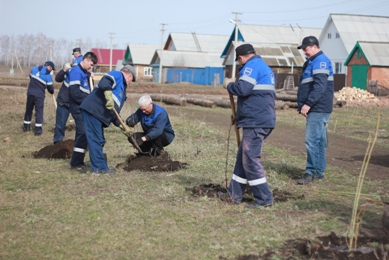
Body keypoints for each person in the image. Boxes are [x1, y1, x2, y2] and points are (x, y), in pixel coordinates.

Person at [218, 43, 276, 208]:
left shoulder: (251, 66)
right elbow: (256, 97)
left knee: (250, 158)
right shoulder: (263, 66)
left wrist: (229, 85)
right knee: (242, 158)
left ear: (241, 58)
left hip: (256, 121)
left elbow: (243, 89)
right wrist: (240, 117)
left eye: (239, 61)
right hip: (258, 119)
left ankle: (264, 199)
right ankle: (234, 195)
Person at [79, 65, 136, 174]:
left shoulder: (122, 91)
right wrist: (108, 95)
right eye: (131, 80)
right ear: (129, 75)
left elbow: (114, 113)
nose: (130, 82)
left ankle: (98, 165)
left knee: (99, 140)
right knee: (96, 139)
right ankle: (99, 169)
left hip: (99, 115)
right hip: (93, 110)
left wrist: (122, 125)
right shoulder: (118, 75)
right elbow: (105, 82)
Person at [296, 36, 334, 185]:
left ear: (314, 46)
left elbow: (319, 87)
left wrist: (308, 104)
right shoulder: (313, 62)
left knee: (312, 141)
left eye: (306, 49)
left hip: (318, 108)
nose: (305, 52)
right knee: (318, 141)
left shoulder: (320, 61)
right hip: (317, 107)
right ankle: (318, 172)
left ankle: (310, 172)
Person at [68, 52, 98, 170]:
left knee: (85, 133)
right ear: (85, 60)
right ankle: (75, 163)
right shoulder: (76, 71)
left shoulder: (85, 73)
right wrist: (88, 101)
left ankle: (79, 161)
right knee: (82, 132)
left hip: (84, 107)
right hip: (77, 107)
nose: (91, 67)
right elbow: (74, 93)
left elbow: (89, 89)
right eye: (90, 64)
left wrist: (91, 79)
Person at [23, 61, 55, 136]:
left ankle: (26, 128)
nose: (51, 71)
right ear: (49, 67)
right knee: (39, 112)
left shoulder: (34, 69)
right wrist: (52, 91)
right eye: (52, 69)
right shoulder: (48, 75)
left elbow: (31, 77)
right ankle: (38, 131)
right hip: (39, 96)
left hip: (30, 93)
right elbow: (51, 89)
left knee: (28, 110)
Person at [53, 62, 72, 144]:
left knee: (82, 125)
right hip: (63, 102)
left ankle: (82, 144)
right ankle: (58, 143)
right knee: (60, 124)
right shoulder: (69, 72)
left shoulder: (85, 75)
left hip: (77, 103)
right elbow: (58, 78)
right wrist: (64, 70)